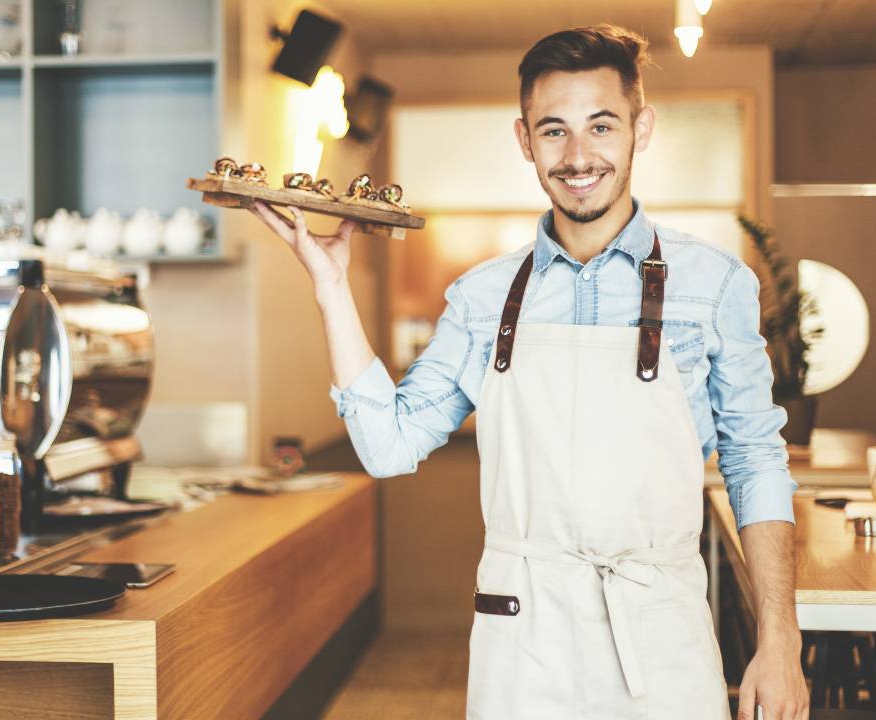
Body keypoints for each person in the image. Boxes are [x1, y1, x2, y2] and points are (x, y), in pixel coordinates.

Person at [249, 23, 809, 720]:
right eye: (553, 131)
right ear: (525, 140)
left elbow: (755, 461)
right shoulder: (482, 298)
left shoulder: (715, 284)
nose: (578, 156)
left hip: (660, 629)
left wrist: (780, 641)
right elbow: (388, 446)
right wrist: (331, 287)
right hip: (522, 640)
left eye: (601, 126)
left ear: (641, 129)